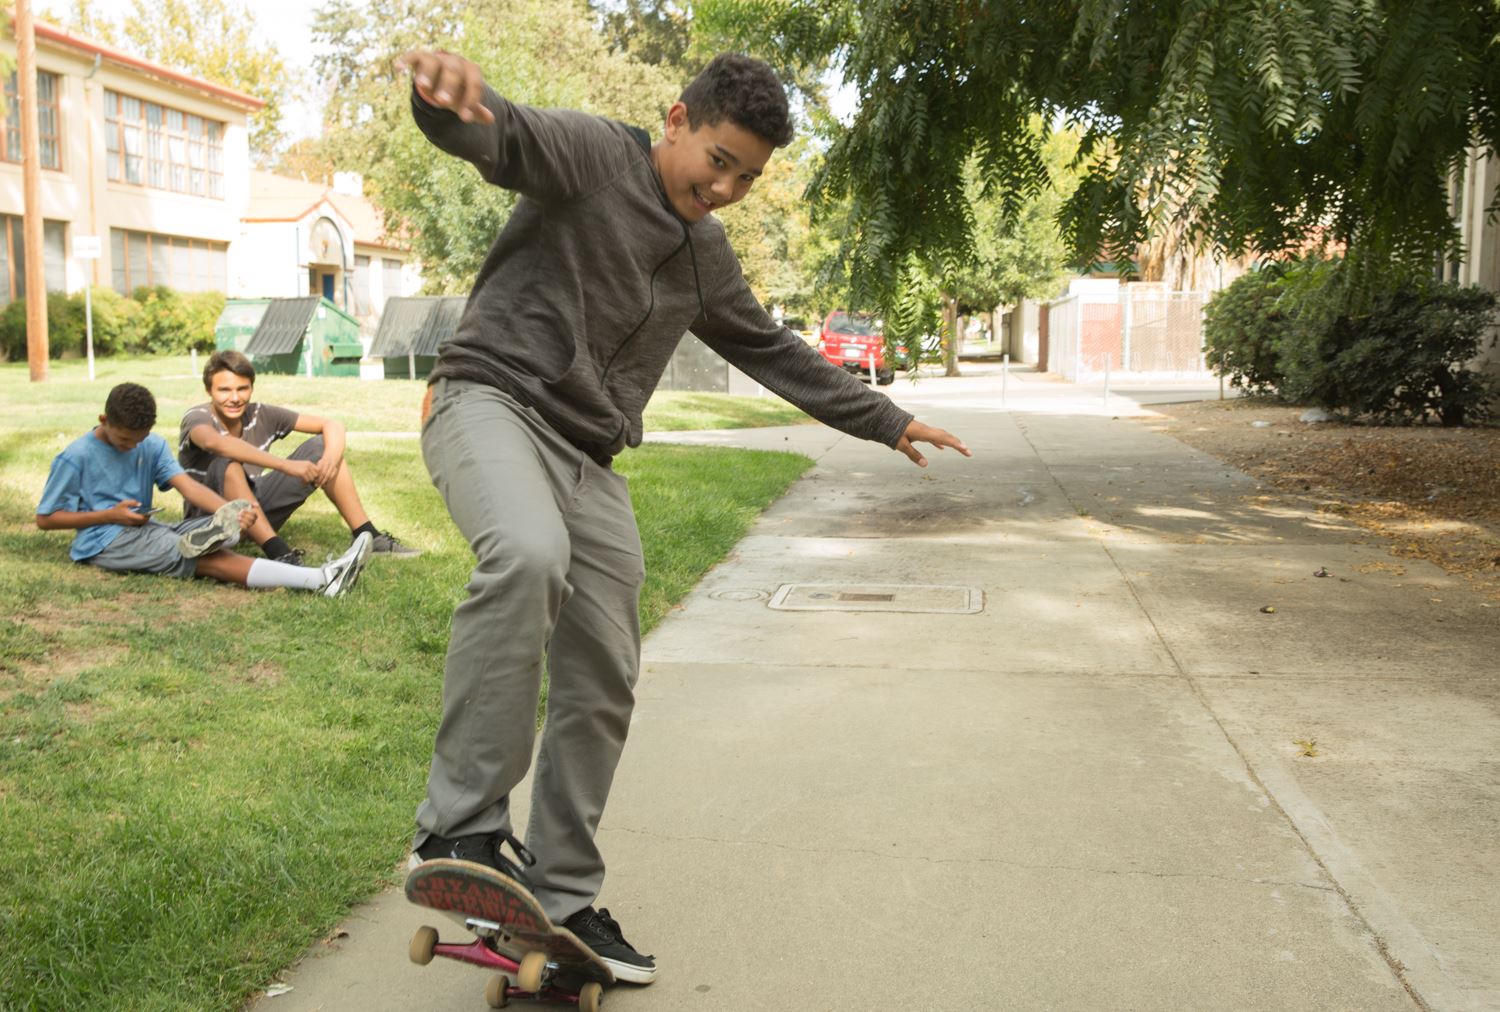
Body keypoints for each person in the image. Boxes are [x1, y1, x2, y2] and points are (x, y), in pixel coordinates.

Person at [398, 49, 972, 983]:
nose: (728, 186)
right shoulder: (591, 157)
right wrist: (448, 108)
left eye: (748, 175)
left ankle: (564, 894)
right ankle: (458, 829)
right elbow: (502, 137)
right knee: (529, 555)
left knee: (606, 670)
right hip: (490, 402)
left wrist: (888, 418)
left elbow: (774, 351)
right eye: (718, 158)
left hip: (588, 456)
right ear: (675, 120)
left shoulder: (704, 256)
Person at [37, 382, 373, 597]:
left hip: (151, 528)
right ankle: (319, 579)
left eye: (137, 440)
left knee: (210, 536)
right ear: (103, 419)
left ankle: (221, 532)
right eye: (124, 439)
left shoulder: (150, 444)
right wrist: (109, 515)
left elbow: (186, 487)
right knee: (204, 557)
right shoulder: (76, 457)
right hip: (104, 542)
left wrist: (229, 510)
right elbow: (47, 518)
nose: (130, 447)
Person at [177, 350, 419, 565]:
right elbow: (215, 443)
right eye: (224, 390)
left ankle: (369, 536)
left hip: (254, 513)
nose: (235, 398)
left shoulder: (259, 413)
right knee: (227, 463)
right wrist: (286, 465)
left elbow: (332, 425)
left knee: (323, 448)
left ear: (251, 387)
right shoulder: (197, 416)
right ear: (209, 390)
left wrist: (330, 461)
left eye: (242, 388)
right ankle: (280, 553)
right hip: (210, 521)